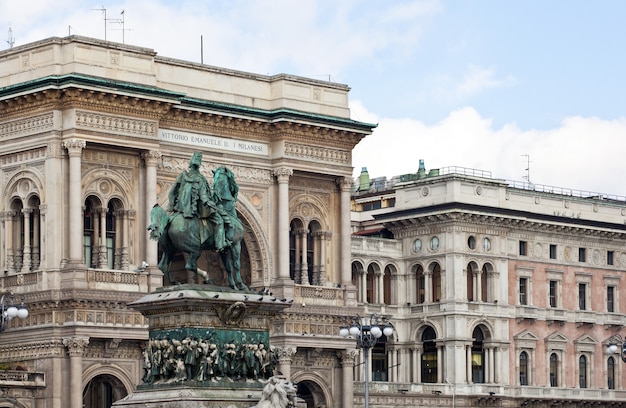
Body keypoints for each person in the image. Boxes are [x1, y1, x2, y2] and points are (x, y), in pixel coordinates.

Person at [168, 152, 228, 250]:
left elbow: (172, 192)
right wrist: (212, 204)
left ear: (191, 164)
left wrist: (171, 206)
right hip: (199, 210)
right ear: (199, 165)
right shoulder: (200, 179)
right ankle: (220, 244)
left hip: (182, 209)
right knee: (219, 221)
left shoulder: (182, 176)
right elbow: (204, 197)